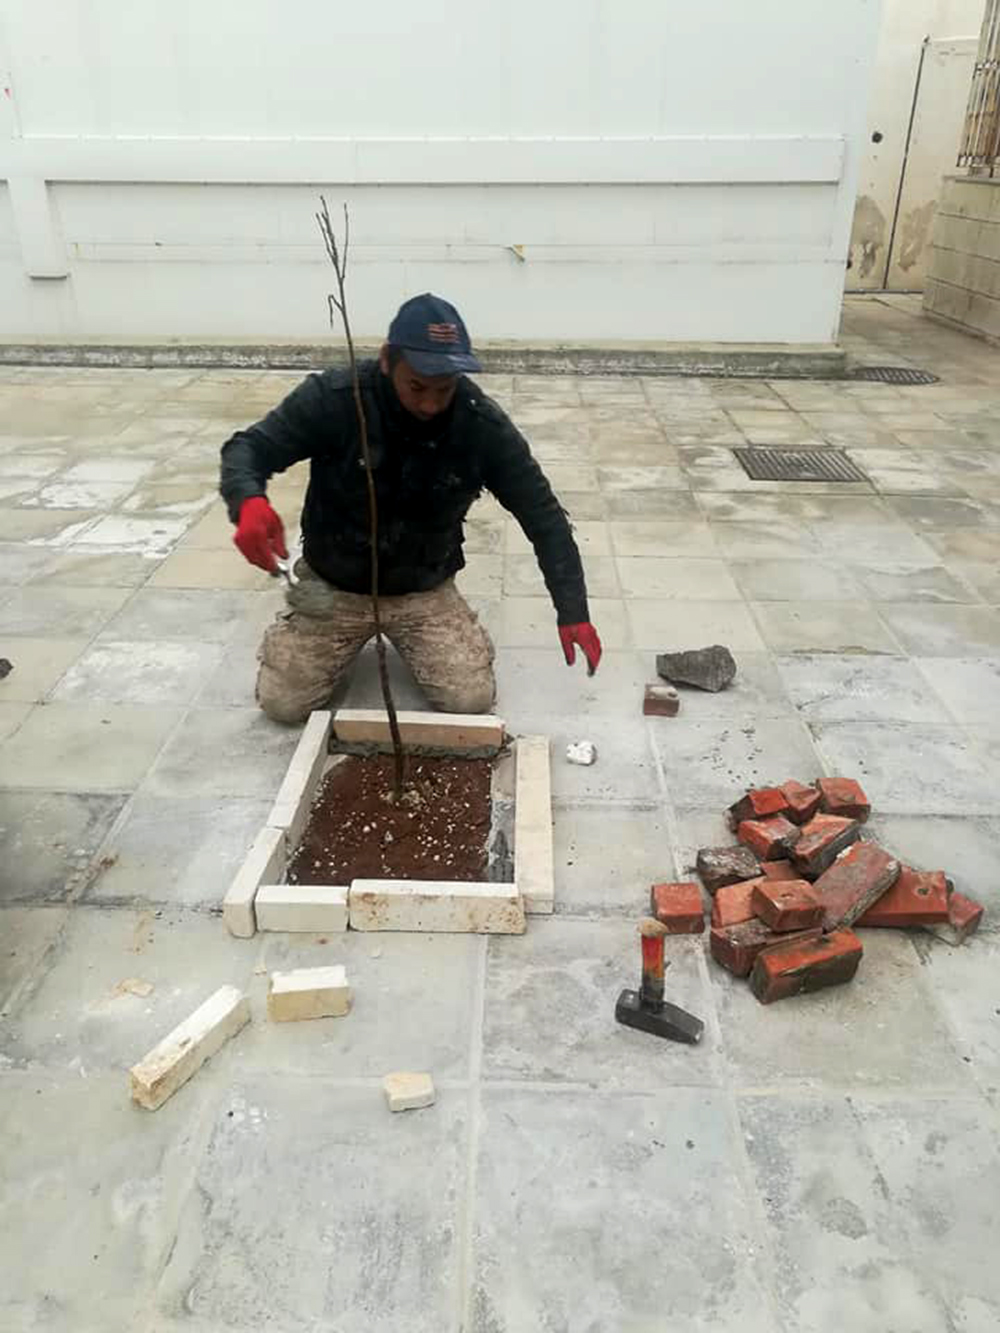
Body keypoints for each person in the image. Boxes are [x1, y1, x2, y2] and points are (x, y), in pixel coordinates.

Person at [221, 293, 601, 724]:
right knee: (283, 704)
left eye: (444, 389)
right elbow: (248, 449)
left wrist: (573, 611)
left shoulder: (479, 424)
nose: (430, 404)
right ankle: (313, 631)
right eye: (417, 386)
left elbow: (543, 516)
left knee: (470, 700)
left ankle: (437, 628)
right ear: (387, 360)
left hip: (421, 590)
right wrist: (248, 501)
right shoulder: (336, 399)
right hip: (334, 585)